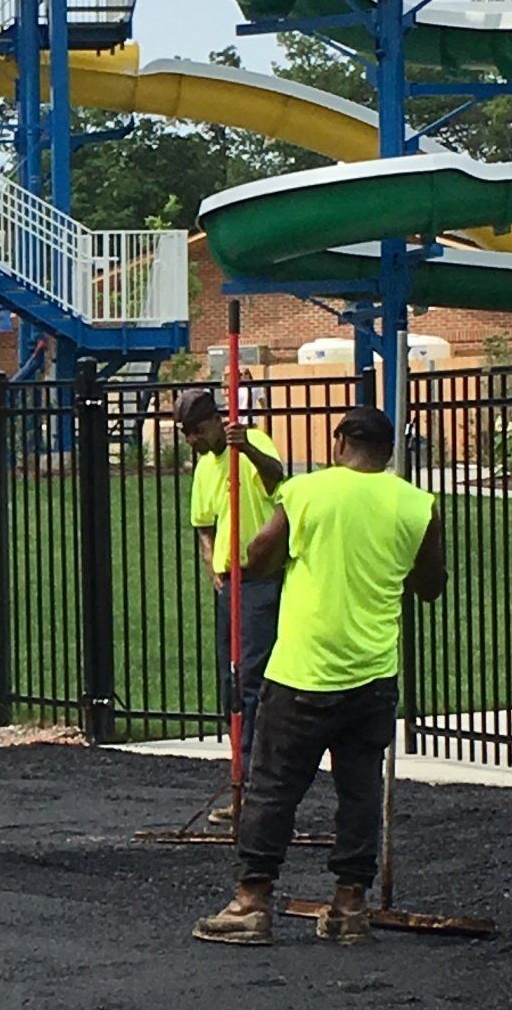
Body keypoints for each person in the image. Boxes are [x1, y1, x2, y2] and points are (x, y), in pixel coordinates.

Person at [193, 406, 445, 948]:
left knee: (274, 788)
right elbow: (431, 583)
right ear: (389, 452)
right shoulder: (417, 506)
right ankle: (349, 905)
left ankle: (252, 901)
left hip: (304, 670)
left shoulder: (306, 491)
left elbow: (259, 554)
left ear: (338, 442)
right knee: (358, 790)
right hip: (373, 673)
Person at [176, 385, 285, 816]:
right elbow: (203, 522)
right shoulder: (205, 467)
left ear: (216, 421)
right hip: (229, 582)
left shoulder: (252, 443)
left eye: (197, 430)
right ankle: (239, 774)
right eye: (185, 433)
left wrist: (248, 453)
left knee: (252, 681)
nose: (192, 440)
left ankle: (254, 783)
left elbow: (279, 479)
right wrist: (209, 557)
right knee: (231, 684)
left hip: (260, 580)